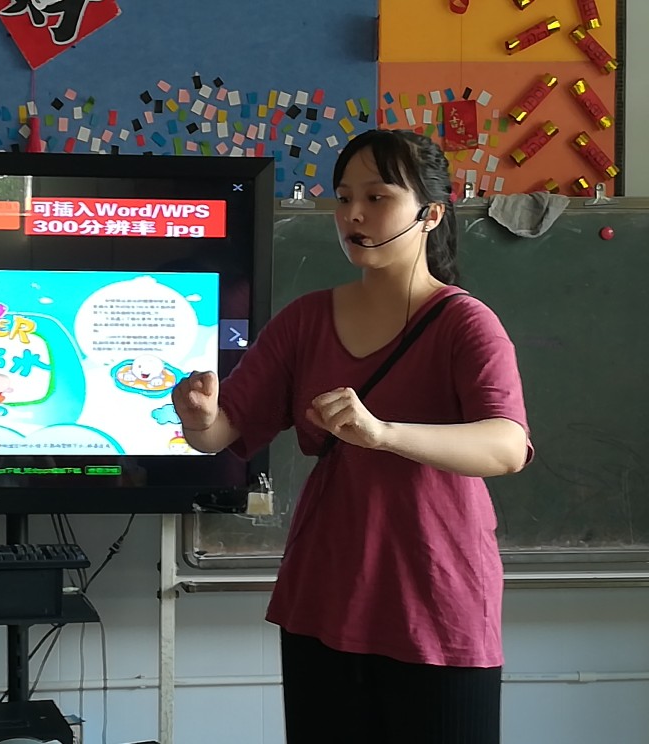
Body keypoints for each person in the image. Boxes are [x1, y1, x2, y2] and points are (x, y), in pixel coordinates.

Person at [171, 129, 532, 744]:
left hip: (437, 596)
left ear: (430, 214)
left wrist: (383, 433)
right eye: (343, 198)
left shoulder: (465, 324)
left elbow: (507, 446)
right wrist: (201, 418)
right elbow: (223, 433)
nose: (353, 215)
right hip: (326, 590)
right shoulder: (305, 320)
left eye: (376, 197)